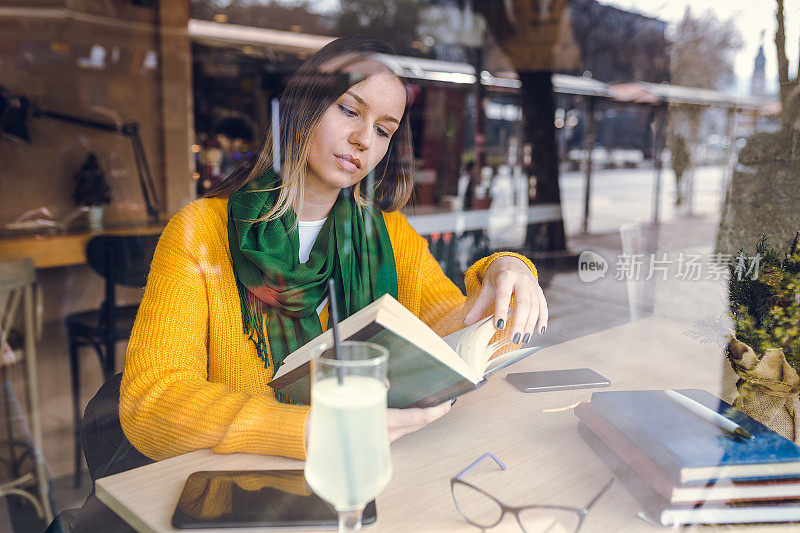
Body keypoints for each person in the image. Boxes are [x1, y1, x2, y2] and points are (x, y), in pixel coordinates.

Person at [119, 36, 548, 463]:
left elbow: (457, 340)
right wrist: (307, 428)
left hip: (366, 468)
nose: (364, 139)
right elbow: (150, 402)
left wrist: (503, 274)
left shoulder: (390, 234)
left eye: (383, 130)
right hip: (245, 489)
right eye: (348, 110)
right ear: (301, 108)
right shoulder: (200, 232)